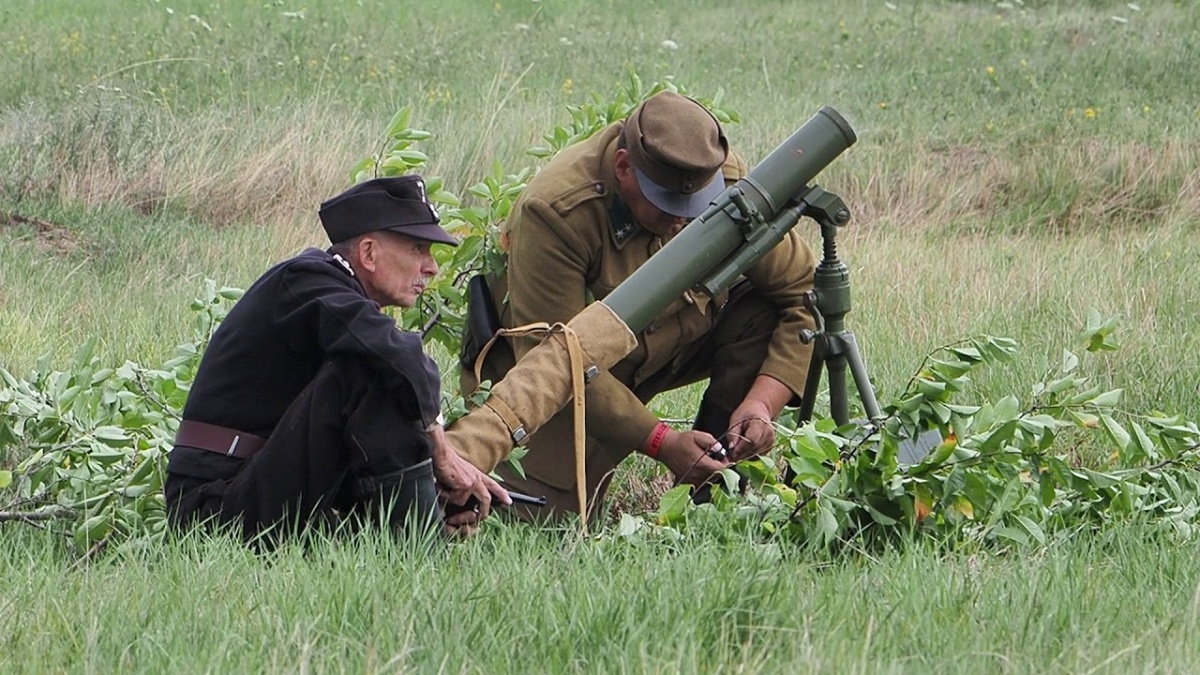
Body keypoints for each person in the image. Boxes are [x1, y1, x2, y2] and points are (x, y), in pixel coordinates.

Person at [460, 91, 817, 519]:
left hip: (667, 347)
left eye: (695, 206)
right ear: (624, 167)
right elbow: (553, 362)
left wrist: (763, 402)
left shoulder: (723, 184)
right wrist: (660, 441)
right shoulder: (556, 211)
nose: (682, 220)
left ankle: (713, 486)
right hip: (557, 381)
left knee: (764, 309)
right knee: (537, 524)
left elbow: (804, 291)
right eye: (667, 204)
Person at [166, 175, 509, 544]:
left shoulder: (336, 294)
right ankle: (422, 552)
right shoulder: (305, 280)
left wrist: (432, 491)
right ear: (368, 253)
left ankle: (418, 537)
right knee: (371, 369)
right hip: (211, 509)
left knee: (381, 370)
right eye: (417, 248)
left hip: (257, 486)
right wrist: (442, 455)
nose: (431, 267)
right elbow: (398, 355)